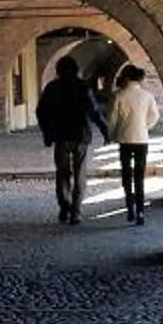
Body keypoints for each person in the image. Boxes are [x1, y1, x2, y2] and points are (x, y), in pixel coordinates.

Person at [33, 56, 108, 224]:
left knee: (62, 174)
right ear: (76, 69)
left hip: (60, 136)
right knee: (80, 174)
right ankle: (76, 211)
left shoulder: (52, 87)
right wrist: (105, 131)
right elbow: (94, 111)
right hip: (80, 135)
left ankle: (64, 208)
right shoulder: (83, 87)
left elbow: (41, 111)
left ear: (58, 70)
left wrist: (47, 133)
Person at [109, 64, 163, 225]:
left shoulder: (118, 95)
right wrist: (144, 127)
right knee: (139, 176)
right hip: (141, 139)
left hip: (124, 139)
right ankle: (141, 212)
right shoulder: (147, 95)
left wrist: (112, 134)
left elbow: (112, 119)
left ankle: (130, 209)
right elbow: (154, 116)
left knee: (127, 175)